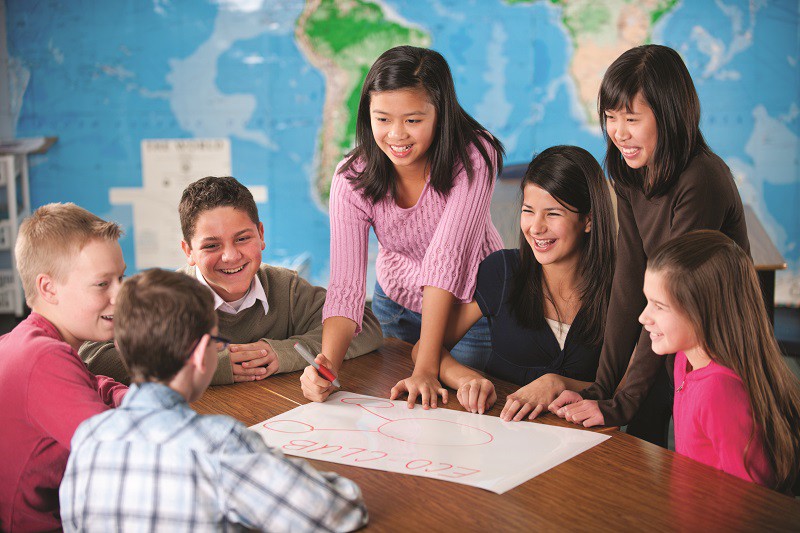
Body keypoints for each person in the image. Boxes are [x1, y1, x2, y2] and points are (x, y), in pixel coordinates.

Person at [60, 268, 369, 532]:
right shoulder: (220, 446)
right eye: (216, 342)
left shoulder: (87, 439)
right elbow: (341, 511)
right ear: (200, 354)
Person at [549, 44, 749, 447]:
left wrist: (619, 404)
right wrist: (602, 390)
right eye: (610, 118)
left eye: (632, 118)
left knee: (697, 463)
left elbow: (675, 299)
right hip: (672, 330)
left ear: (670, 115)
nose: (618, 132)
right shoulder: (627, 169)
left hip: (717, 344)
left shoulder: (701, 178)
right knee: (634, 444)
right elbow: (629, 281)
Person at [303, 45, 505, 408]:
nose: (396, 135)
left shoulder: (476, 153)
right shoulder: (352, 178)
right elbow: (346, 286)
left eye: (413, 120)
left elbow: (447, 259)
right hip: (394, 306)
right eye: (382, 119)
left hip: (468, 307)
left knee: (466, 417)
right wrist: (327, 366)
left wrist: (426, 365)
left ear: (440, 114)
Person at [81, 176, 383, 385]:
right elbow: (92, 355)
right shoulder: (164, 298)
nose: (230, 256)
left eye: (242, 239)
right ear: (188, 251)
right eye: (211, 246)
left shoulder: (287, 290)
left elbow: (366, 326)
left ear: (261, 235)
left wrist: (282, 353)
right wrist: (208, 365)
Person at [395, 146, 615, 419]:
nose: (536, 227)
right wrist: (466, 379)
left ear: (588, 221)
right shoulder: (503, 271)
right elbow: (425, 350)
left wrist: (557, 383)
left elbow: (627, 389)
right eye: (528, 210)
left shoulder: (621, 288)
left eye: (553, 214)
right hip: (499, 436)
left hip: (589, 450)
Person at [638, 230, 800, 493]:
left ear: (703, 311)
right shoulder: (683, 360)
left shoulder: (720, 391)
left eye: (659, 305)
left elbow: (754, 502)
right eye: (648, 301)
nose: (643, 317)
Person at [0, 203, 128, 531]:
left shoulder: (29, 341)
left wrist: (128, 396)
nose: (121, 295)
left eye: (121, 278)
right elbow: (121, 454)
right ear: (48, 288)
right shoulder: (42, 359)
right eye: (103, 284)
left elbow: (92, 383)